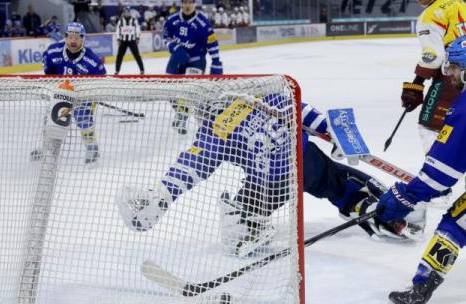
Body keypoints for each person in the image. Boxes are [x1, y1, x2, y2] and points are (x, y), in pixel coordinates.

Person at [117, 96, 423, 256]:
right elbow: (298, 107)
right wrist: (331, 130)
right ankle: (376, 208)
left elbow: (191, 167)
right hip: (301, 160)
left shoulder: (212, 132)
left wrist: (163, 193)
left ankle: (245, 225)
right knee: (335, 183)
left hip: (269, 183)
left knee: (244, 216)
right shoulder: (250, 97)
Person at [379, 35, 466, 304]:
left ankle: (418, 292)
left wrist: (405, 196)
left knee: (454, 226)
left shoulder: (463, 109)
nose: (449, 73)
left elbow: (440, 175)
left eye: (454, 67)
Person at [400, 0, 466, 152]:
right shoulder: (457, 1)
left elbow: (433, 58)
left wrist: (416, 84)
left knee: (429, 126)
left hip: (453, 76)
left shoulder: (428, 17)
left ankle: (435, 172)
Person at [33, 22, 106, 164]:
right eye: (70, 36)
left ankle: (92, 148)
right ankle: (46, 147)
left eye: (77, 37)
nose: (73, 40)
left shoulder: (92, 61)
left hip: (84, 94)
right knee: (52, 118)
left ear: (83, 38)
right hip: (62, 92)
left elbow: (100, 83)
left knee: (82, 116)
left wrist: (87, 95)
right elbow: (49, 74)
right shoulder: (52, 52)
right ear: (65, 37)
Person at [164, 0, 223, 135]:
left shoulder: (203, 23)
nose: (187, 5)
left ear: (195, 3)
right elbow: (166, 36)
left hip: (197, 61)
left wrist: (216, 61)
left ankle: (201, 125)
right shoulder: (172, 20)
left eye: (190, 2)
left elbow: (212, 43)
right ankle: (181, 113)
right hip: (178, 59)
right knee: (169, 91)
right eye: (185, 1)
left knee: (191, 93)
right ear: (181, 3)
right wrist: (174, 48)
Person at [114, 7, 144, 75]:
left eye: (128, 12)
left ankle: (142, 70)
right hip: (123, 41)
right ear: (123, 13)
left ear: (130, 13)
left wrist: (137, 37)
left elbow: (137, 29)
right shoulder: (120, 21)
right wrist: (118, 39)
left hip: (132, 41)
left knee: (137, 55)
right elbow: (118, 30)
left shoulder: (134, 20)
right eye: (125, 12)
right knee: (119, 56)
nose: (127, 13)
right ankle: (117, 71)